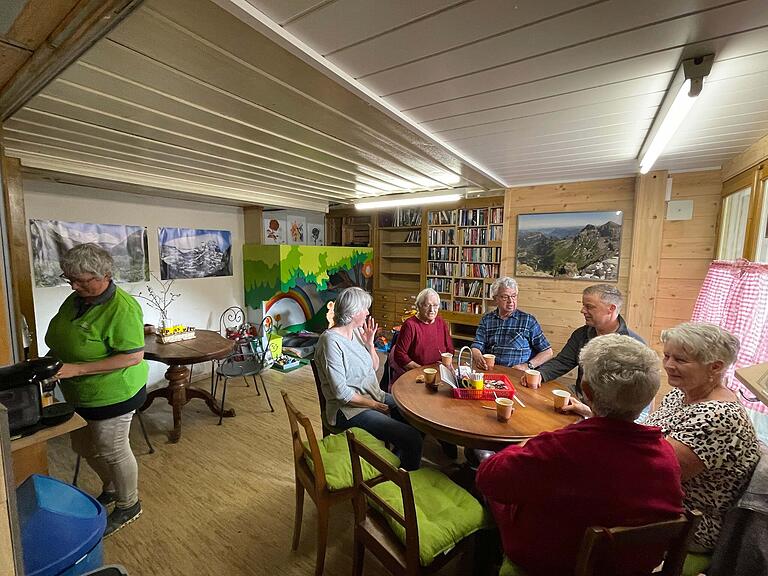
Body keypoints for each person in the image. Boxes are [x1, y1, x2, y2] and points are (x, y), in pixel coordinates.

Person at [476, 334, 684, 576]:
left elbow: (488, 480)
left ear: (586, 391)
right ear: (648, 396)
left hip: (552, 562)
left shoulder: (559, 448)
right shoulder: (666, 454)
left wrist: (526, 443)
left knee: (486, 466)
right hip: (631, 566)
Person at [45, 243, 147, 536]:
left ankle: (129, 504)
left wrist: (76, 368)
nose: (73, 286)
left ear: (105, 275)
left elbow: (132, 356)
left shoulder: (122, 308)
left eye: (81, 280)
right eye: (69, 279)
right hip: (77, 391)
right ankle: (112, 487)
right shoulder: (77, 299)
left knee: (112, 450)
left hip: (114, 393)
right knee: (84, 447)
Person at [644, 323, 761, 554]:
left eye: (680, 360)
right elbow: (648, 435)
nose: (668, 365)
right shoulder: (680, 393)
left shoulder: (719, 416)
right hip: (662, 501)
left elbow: (656, 475)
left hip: (690, 522)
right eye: (667, 356)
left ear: (715, 367)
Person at [314, 287, 423, 470]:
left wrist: (369, 344)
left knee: (416, 416)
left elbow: (374, 367)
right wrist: (374, 405)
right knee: (412, 438)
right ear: (352, 313)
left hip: (373, 395)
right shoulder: (330, 342)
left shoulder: (357, 332)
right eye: (364, 308)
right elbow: (342, 394)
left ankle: (394, 465)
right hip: (348, 410)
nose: (367, 312)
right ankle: (402, 481)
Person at [523, 284, 643, 396]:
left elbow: (637, 394)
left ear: (611, 308)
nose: (583, 310)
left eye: (589, 307)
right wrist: (540, 374)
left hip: (613, 407)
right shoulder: (581, 334)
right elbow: (563, 362)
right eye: (584, 305)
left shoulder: (634, 346)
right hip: (581, 398)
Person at [471, 277, 552, 370]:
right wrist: (477, 355)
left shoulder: (528, 320)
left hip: (517, 373)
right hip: (492, 369)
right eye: (505, 297)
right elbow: (477, 345)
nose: (510, 301)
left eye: (513, 296)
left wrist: (527, 366)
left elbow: (547, 352)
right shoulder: (487, 319)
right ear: (495, 299)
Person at [391, 288, 454, 381]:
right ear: (418, 306)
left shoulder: (441, 322)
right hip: (418, 373)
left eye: (435, 305)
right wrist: (422, 371)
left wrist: (446, 365)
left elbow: (450, 349)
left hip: (440, 371)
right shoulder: (410, 325)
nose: (432, 310)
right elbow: (400, 355)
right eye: (427, 305)